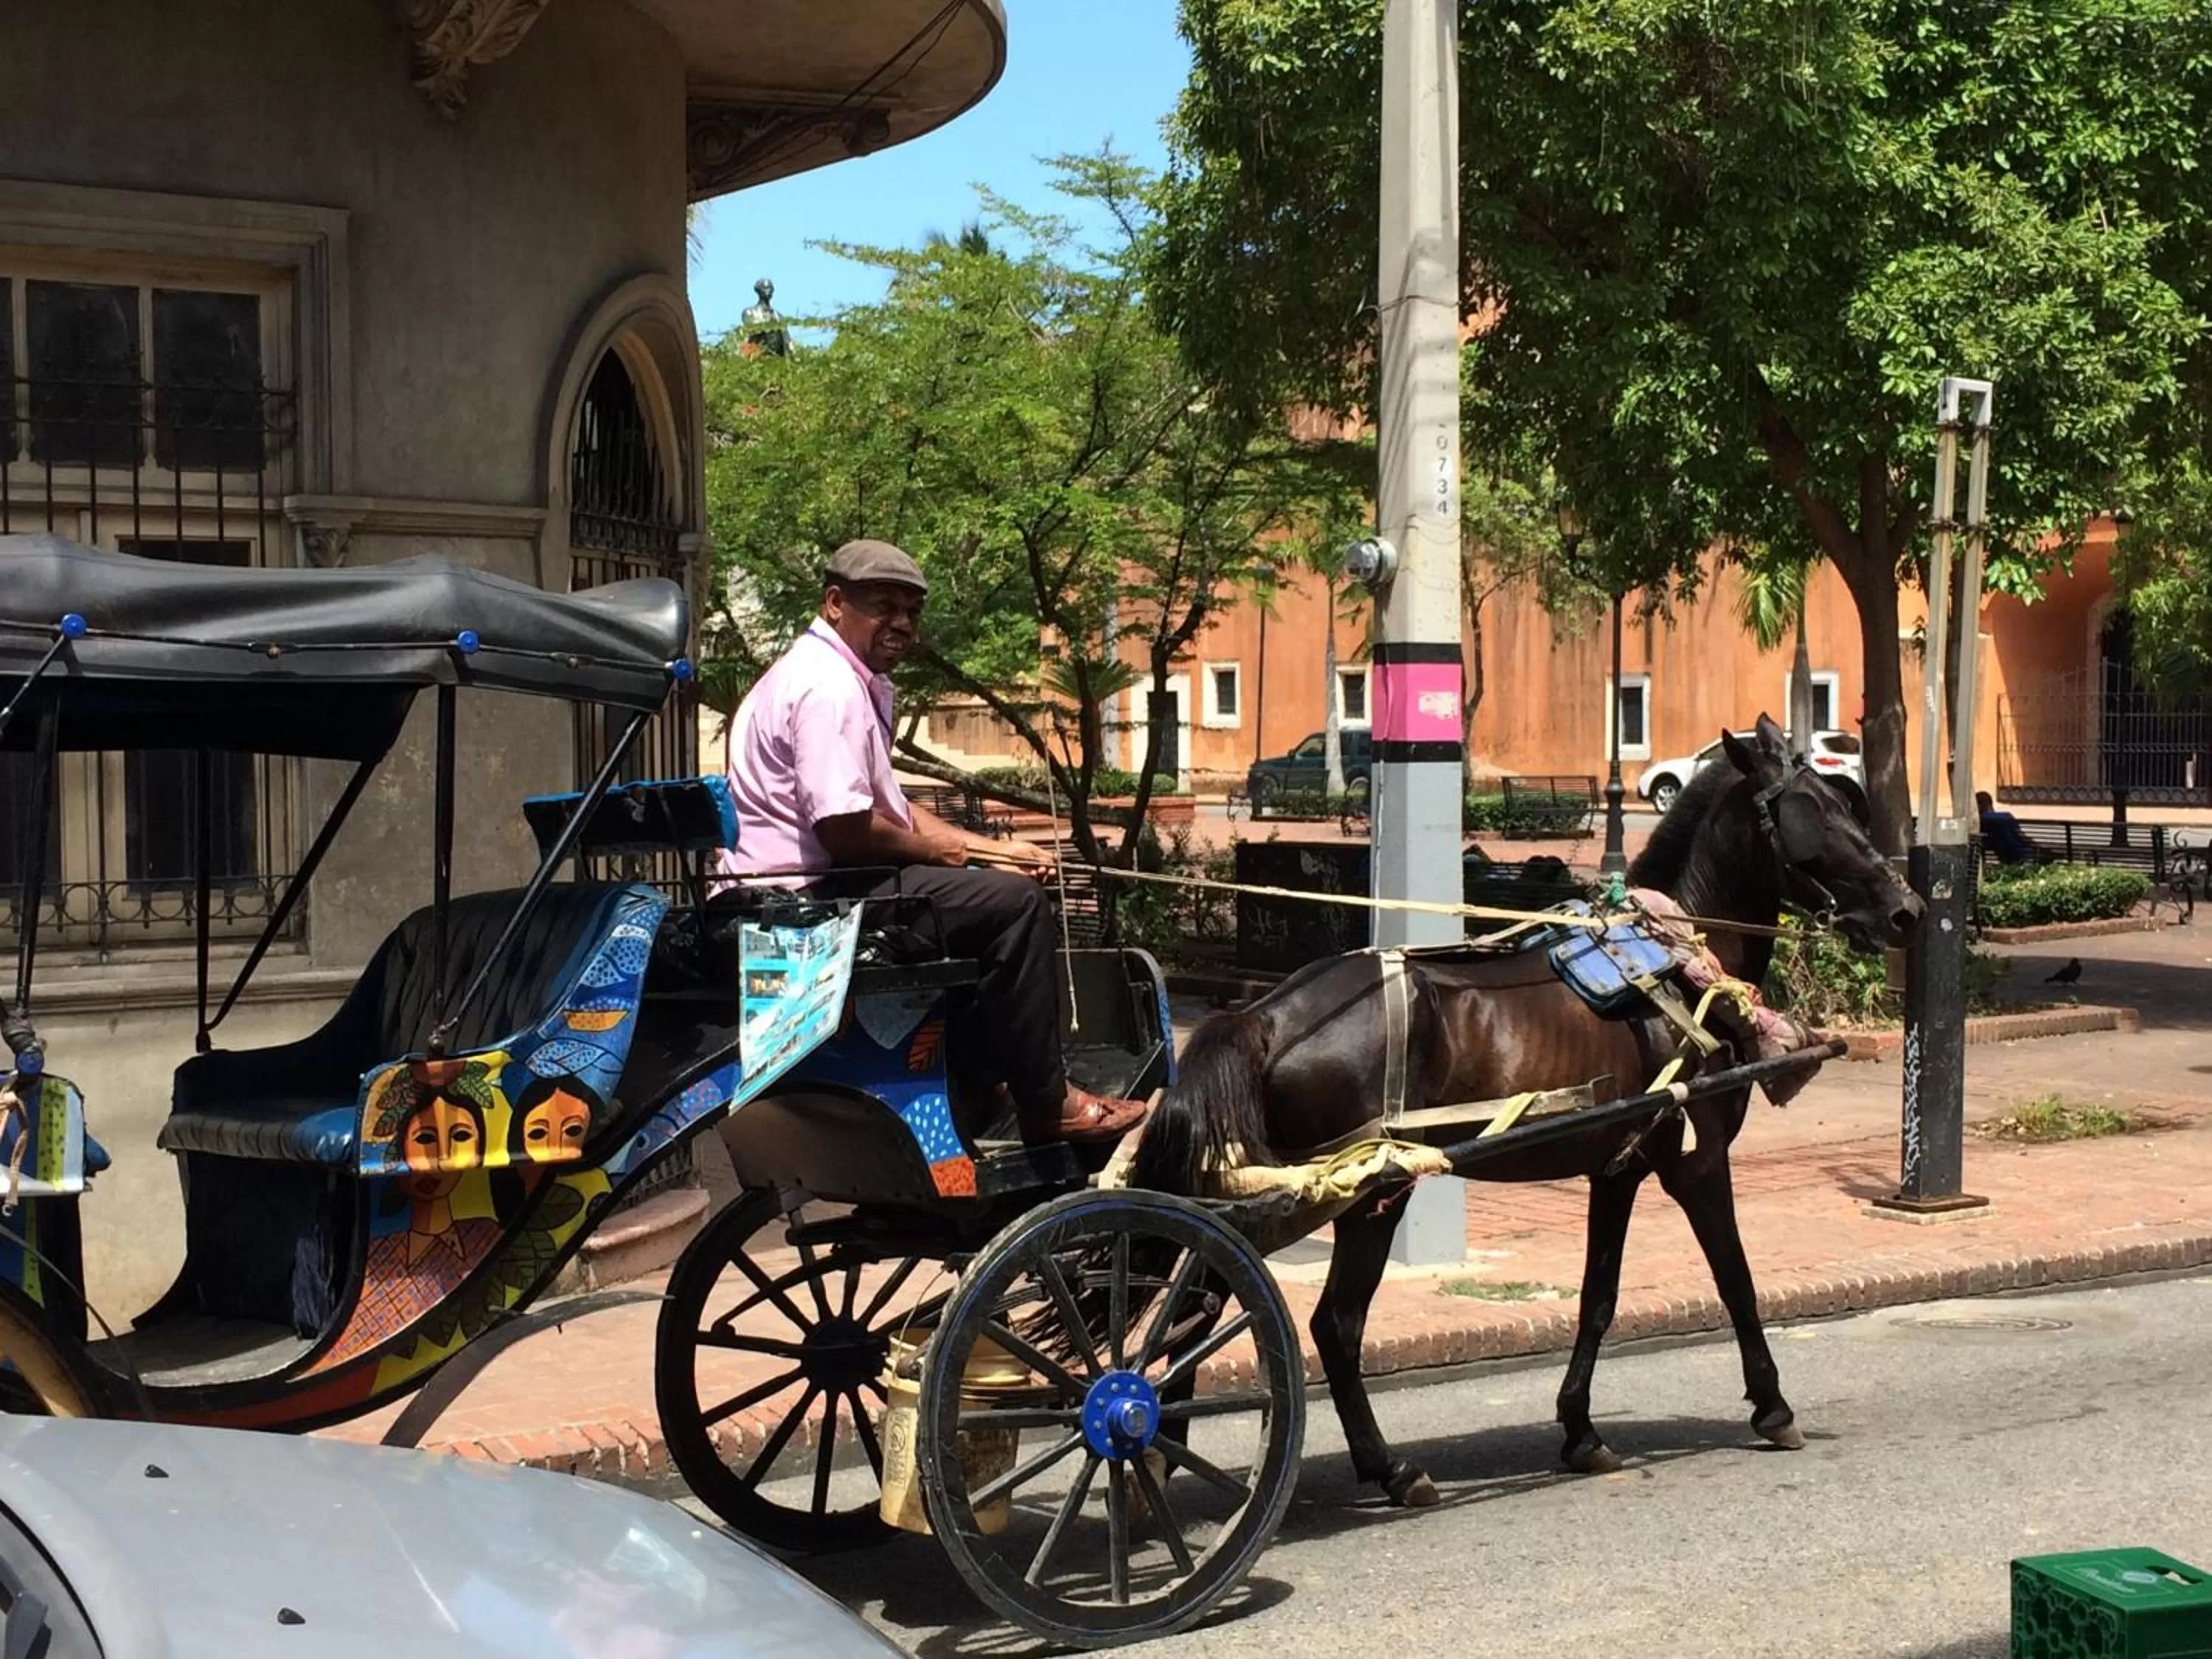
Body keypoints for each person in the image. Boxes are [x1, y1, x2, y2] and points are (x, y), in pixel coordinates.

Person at [720, 538, 1149, 1145]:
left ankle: (971, 1087)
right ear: (836, 603)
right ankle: (1044, 1102)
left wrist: (994, 851)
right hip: (807, 900)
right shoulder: (828, 687)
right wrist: (950, 856)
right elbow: (844, 830)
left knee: (991, 891)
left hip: (807, 887)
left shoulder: (825, 675)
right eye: (884, 606)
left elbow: (890, 811)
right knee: (1016, 907)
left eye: (912, 611)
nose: (902, 623)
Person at [1976, 790, 2047, 865]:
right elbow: (2022, 836)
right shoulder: (2006, 816)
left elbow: (1985, 845)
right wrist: (2037, 848)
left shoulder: (1981, 821)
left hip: (2009, 857)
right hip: (2023, 854)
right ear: (1990, 803)